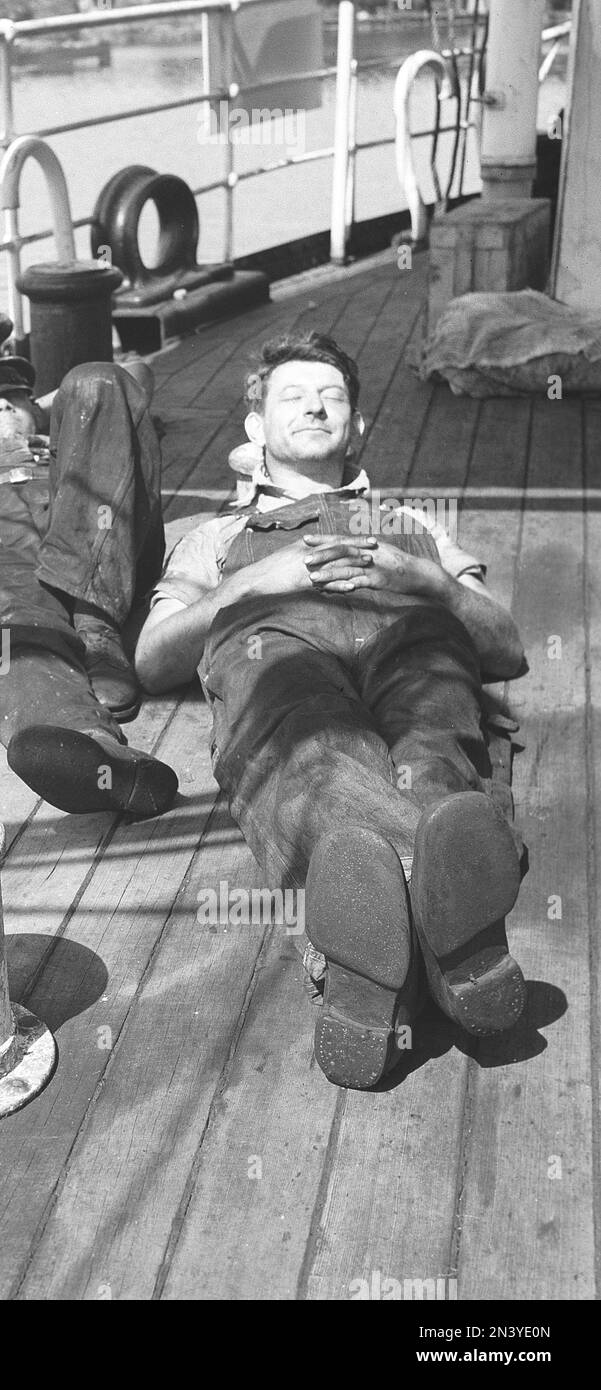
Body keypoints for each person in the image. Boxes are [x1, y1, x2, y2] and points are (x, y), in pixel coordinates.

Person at [134, 331, 528, 1089]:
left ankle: (375, 970)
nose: (315, 405)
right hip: (278, 646)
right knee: (307, 755)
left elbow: (505, 648)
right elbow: (153, 659)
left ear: (356, 428)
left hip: (409, 633)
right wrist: (255, 583)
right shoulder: (214, 536)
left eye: (332, 396)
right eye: (292, 394)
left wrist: (424, 578)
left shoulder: (413, 522)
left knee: (435, 761)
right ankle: (455, 947)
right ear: (254, 430)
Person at [0, 355, 179, 817]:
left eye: (14, 396)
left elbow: (138, 369)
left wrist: (45, 413)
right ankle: (96, 751)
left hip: (101, 515)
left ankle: (96, 623)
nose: (3, 403)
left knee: (94, 377)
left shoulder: (80, 422)